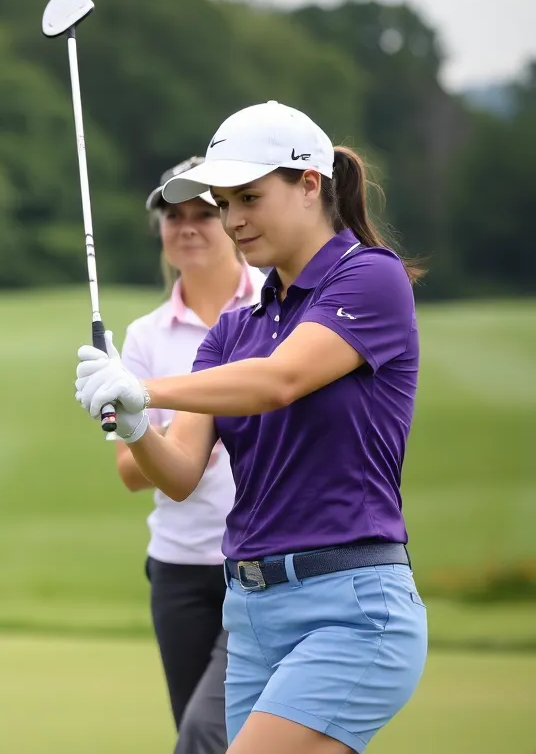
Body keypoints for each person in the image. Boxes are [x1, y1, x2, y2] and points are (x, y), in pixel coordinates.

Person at [74, 100, 428, 754]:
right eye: (223, 201)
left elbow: (278, 381)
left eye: (248, 198)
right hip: (252, 615)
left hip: (350, 609)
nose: (232, 220)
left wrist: (144, 386)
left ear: (309, 185)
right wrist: (133, 426)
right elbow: (179, 473)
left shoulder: (370, 280)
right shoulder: (232, 332)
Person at [113, 155, 265, 754]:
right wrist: (186, 433)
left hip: (255, 562)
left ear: (231, 219)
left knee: (210, 733)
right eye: (174, 215)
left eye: (205, 212)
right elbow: (129, 470)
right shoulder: (146, 336)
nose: (188, 226)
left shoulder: (272, 307)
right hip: (177, 566)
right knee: (198, 731)